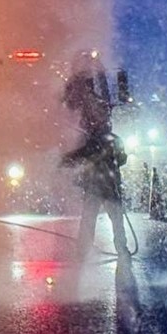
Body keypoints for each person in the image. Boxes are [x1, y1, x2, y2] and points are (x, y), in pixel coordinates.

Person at [60, 51, 130, 261]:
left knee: (91, 220)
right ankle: (120, 250)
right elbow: (121, 159)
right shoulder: (110, 139)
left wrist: (67, 161)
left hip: (97, 186)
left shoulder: (94, 141)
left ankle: (84, 253)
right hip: (108, 186)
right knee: (113, 219)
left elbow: (78, 158)